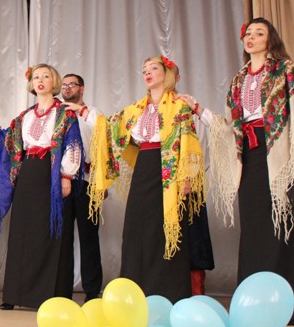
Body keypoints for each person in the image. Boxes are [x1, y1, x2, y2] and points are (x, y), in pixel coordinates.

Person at [180, 18, 294, 308]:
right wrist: (198, 109)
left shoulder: (284, 70)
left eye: (259, 33)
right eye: (249, 33)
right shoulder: (238, 80)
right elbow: (230, 127)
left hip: (279, 156)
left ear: (270, 39)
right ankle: (254, 300)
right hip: (250, 157)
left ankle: (281, 301)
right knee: (254, 227)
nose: (251, 37)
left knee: (279, 225)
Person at [86, 56, 205, 303]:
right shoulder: (136, 109)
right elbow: (110, 128)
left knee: (165, 228)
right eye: (144, 70)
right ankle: (135, 293)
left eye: (153, 68)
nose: (147, 73)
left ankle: (168, 294)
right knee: (136, 228)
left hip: (169, 171)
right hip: (144, 168)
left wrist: (186, 177)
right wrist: (87, 113)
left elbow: (189, 141)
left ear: (167, 73)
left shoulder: (180, 105)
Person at [0, 63, 83, 310]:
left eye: (45, 76)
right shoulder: (24, 116)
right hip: (28, 173)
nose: (40, 80)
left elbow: (73, 145)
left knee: (51, 231)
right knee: (23, 230)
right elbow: (9, 143)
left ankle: (51, 295)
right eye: (36, 77)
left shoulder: (65, 113)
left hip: (51, 173)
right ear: (31, 84)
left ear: (54, 82)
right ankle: (16, 294)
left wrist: (66, 176)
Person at [60, 73, 103, 302]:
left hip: (88, 182)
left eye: (72, 84)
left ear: (82, 88)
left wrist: (101, 182)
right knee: (62, 238)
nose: (67, 88)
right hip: (62, 183)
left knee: (89, 237)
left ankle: (92, 291)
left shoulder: (92, 113)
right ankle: (61, 290)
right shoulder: (57, 114)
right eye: (64, 85)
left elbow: (103, 145)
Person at [172, 65, 215, 295]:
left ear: (177, 77)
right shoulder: (148, 107)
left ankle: (196, 289)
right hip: (162, 181)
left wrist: (189, 174)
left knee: (193, 234)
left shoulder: (187, 104)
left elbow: (199, 141)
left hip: (188, 179)